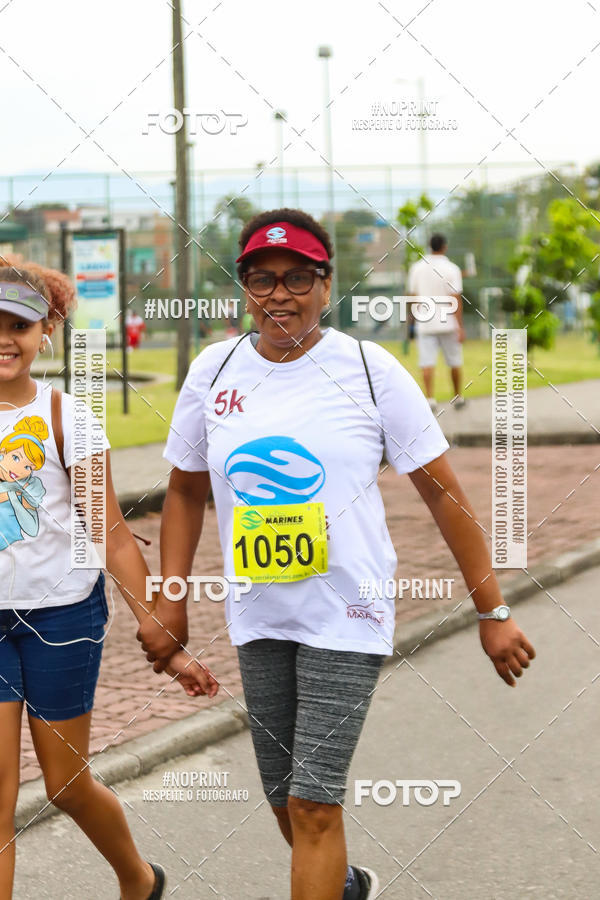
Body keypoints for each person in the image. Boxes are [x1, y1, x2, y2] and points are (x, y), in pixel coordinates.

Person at [138, 209, 535, 900]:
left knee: (314, 804)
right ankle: (345, 886)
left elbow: (444, 495)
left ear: (328, 284)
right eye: (263, 278)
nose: (280, 294)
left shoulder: (368, 369)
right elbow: (183, 488)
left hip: (349, 610)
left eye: (299, 278)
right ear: (244, 286)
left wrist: (491, 609)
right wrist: (170, 596)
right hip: (260, 612)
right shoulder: (215, 369)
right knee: (282, 797)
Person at [0, 258, 218, 900]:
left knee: (67, 784)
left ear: (47, 331)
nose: (4, 338)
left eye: (20, 324)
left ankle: (138, 879)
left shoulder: (69, 419)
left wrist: (162, 631)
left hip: (61, 618)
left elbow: (113, 535)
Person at [407, 233, 466, 411]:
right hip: (448, 322)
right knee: (455, 361)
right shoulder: (452, 268)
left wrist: (413, 319)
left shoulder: (416, 268)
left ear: (429, 246)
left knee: (426, 362)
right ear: (444, 246)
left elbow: (413, 296)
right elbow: (455, 298)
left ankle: (430, 399)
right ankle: (457, 397)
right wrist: (460, 326)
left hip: (425, 323)